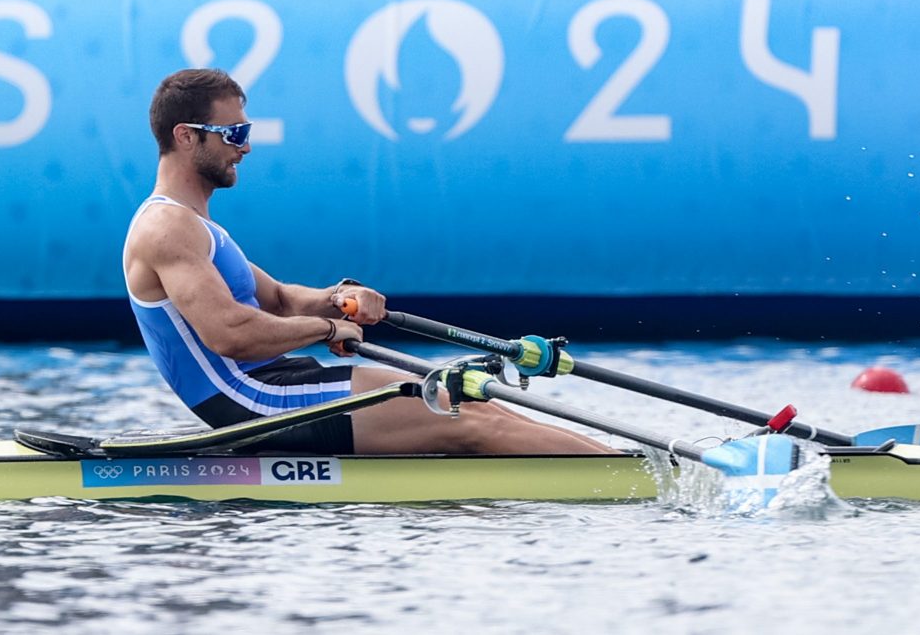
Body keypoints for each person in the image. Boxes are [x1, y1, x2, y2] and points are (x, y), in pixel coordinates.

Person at [123, 68, 614, 456]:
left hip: (276, 379)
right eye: (233, 132)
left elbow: (278, 299)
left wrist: (338, 301)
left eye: (245, 130)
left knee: (472, 402)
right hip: (250, 399)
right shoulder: (167, 228)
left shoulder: (198, 224)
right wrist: (329, 331)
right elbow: (229, 333)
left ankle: (625, 465)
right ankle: (639, 483)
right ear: (186, 136)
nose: (246, 146)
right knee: (464, 418)